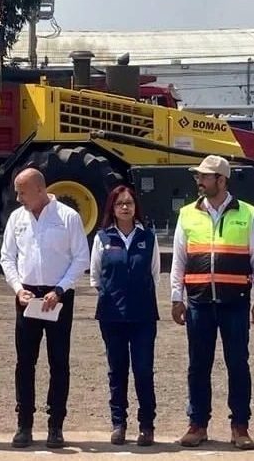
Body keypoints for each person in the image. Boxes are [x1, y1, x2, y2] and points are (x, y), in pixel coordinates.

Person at [170, 155, 254, 450]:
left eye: (205, 177)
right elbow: (179, 260)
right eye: (198, 177)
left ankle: (240, 426)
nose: (199, 182)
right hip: (199, 302)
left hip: (235, 302)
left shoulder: (248, 214)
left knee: (238, 364)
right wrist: (177, 298)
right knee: (198, 366)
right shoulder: (187, 214)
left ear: (222, 180)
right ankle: (197, 424)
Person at [0, 168, 90, 449]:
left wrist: (60, 289)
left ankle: (55, 426)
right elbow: (7, 257)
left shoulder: (68, 217)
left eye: (22, 192)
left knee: (58, 362)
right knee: (25, 362)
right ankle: (24, 425)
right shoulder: (17, 218)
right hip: (27, 296)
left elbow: (81, 258)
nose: (18, 198)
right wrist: (17, 288)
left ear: (39, 189)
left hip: (58, 296)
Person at [89, 185, 161, 447]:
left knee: (143, 371)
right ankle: (118, 424)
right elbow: (95, 277)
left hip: (143, 317)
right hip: (112, 316)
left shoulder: (148, 238)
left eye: (129, 203)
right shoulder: (103, 238)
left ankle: (146, 426)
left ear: (135, 207)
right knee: (116, 372)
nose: (125, 207)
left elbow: (155, 275)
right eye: (120, 203)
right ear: (112, 207)